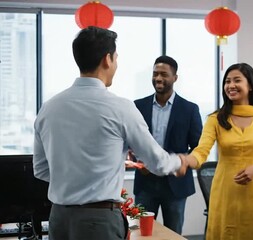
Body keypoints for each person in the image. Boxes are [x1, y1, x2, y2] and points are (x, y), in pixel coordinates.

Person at [33, 26, 188, 240]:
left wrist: (73, 180)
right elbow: (157, 162)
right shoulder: (120, 108)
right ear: (107, 59)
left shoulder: (48, 108)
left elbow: (40, 169)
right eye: (116, 58)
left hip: (58, 219)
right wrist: (179, 162)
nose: (116, 64)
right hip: (99, 221)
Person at [184, 63, 253, 240]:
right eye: (227, 81)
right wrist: (185, 161)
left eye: (237, 80)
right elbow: (201, 151)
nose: (231, 85)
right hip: (226, 195)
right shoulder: (216, 119)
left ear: (250, 85)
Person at [132, 55, 203, 234]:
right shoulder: (137, 106)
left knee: (173, 233)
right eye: (155, 74)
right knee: (141, 233)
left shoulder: (189, 109)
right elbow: (131, 142)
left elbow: (198, 148)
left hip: (176, 184)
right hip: (145, 182)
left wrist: (184, 163)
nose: (158, 78)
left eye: (164, 74)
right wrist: (139, 161)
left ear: (175, 78)